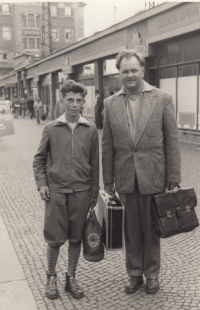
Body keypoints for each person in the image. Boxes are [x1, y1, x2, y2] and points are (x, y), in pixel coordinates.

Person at [102, 49, 181, 295]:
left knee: (152, 229)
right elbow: (107, 145)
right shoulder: (110, 103)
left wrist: (173, 178)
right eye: (124, 71)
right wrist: (108, 181)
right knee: (130, 230)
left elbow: (172, 141)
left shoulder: (162, 98)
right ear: (119, 74)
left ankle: (153, 275)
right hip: (126, 178)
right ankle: (134, 274)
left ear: (142, 70)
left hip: (154, 177)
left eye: (133, 70)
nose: (129, 75)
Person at [33, 80, 99, 300]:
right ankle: (51, 277)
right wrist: (42, 184)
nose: (74, 105)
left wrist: (93, 192)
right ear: (62, 101)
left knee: (76, 239)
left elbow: (95, 163)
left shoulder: (90, 129)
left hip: (81, 192)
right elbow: (39, 159)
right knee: (54, 238)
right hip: (56, 192)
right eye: (70, 100)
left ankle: (70, 277)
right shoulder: (51, 128)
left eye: (79, 101)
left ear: (83, 103)